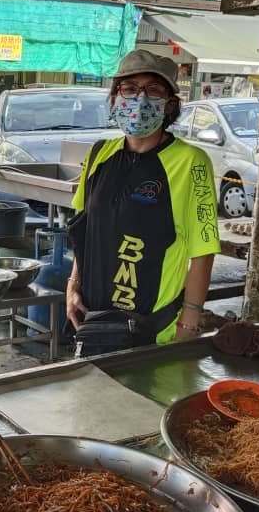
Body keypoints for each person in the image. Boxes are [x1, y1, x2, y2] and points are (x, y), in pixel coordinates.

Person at [67, 50, 220, 355]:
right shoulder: (99, 155)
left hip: (156, 329)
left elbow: (203, 253)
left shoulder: (192, 162)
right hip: (94, 323)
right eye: (130, 88)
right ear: (114, 97)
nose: (140, 99)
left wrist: (189, 322)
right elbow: (86, 229)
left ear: (170, 104)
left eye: (153, 90)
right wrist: (73, 284)